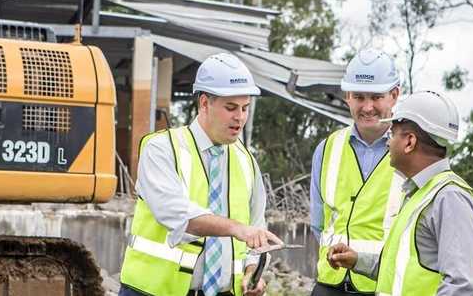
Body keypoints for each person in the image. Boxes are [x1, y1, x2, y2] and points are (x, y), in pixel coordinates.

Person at [118, 53, 282, 296]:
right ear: (204, 103)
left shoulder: (246, 161)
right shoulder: (162, 148)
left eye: (245, 108)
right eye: (231, 107)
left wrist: (251, 271)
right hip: (151, 291)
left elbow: (255, 228)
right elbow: (177, 214)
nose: (240, 117)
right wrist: (237, 229)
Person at [328, 90, 473, 296]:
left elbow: (462, 286)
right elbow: (399, 269)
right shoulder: (418, 194)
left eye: (392, 134)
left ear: (410, 142)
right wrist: (357, 260)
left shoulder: (449, 197)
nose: (387, 142)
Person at [310, 50, 405, 296]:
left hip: (381, 285)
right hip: (329, 283)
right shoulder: (327, 148)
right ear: (347, 97)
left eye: (376, 97)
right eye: (359, 97)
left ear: (394, 95)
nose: (367, 107)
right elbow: (318, 224)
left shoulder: (409, 150)